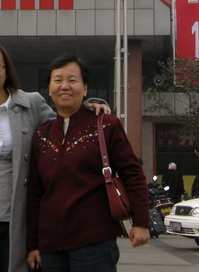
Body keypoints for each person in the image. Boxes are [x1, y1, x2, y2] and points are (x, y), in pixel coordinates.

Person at [0, 40, 109, 272]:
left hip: (18, 221)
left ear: (7, 71)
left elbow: (63, 123)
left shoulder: (31, 104)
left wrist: (88, 105)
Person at [26, 55, 150, 272]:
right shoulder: (41, 135)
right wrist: (33, 244)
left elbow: (133, 174)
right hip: (51, 246)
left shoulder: (106, 126)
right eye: (58, 80)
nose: (64, 86)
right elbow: (35, 193)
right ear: (49, 88)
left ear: (85, 88)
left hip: (95, 243)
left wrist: (141, 222)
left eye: (72, 80)